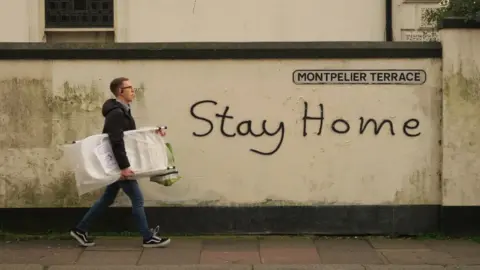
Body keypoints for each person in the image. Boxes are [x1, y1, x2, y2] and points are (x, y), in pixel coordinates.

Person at [70, 77, 171, 248]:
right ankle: (147, 237)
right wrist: (124, 167)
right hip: (120, 165)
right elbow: (116, 141)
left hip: (119, 164)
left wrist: (154, 132)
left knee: (107, 199)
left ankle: (80, 229)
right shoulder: (116, 113)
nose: (133, 90)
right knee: (137, 199)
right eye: (129, 87)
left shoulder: (123, 110)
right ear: (120, 91)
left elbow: (130, 137)